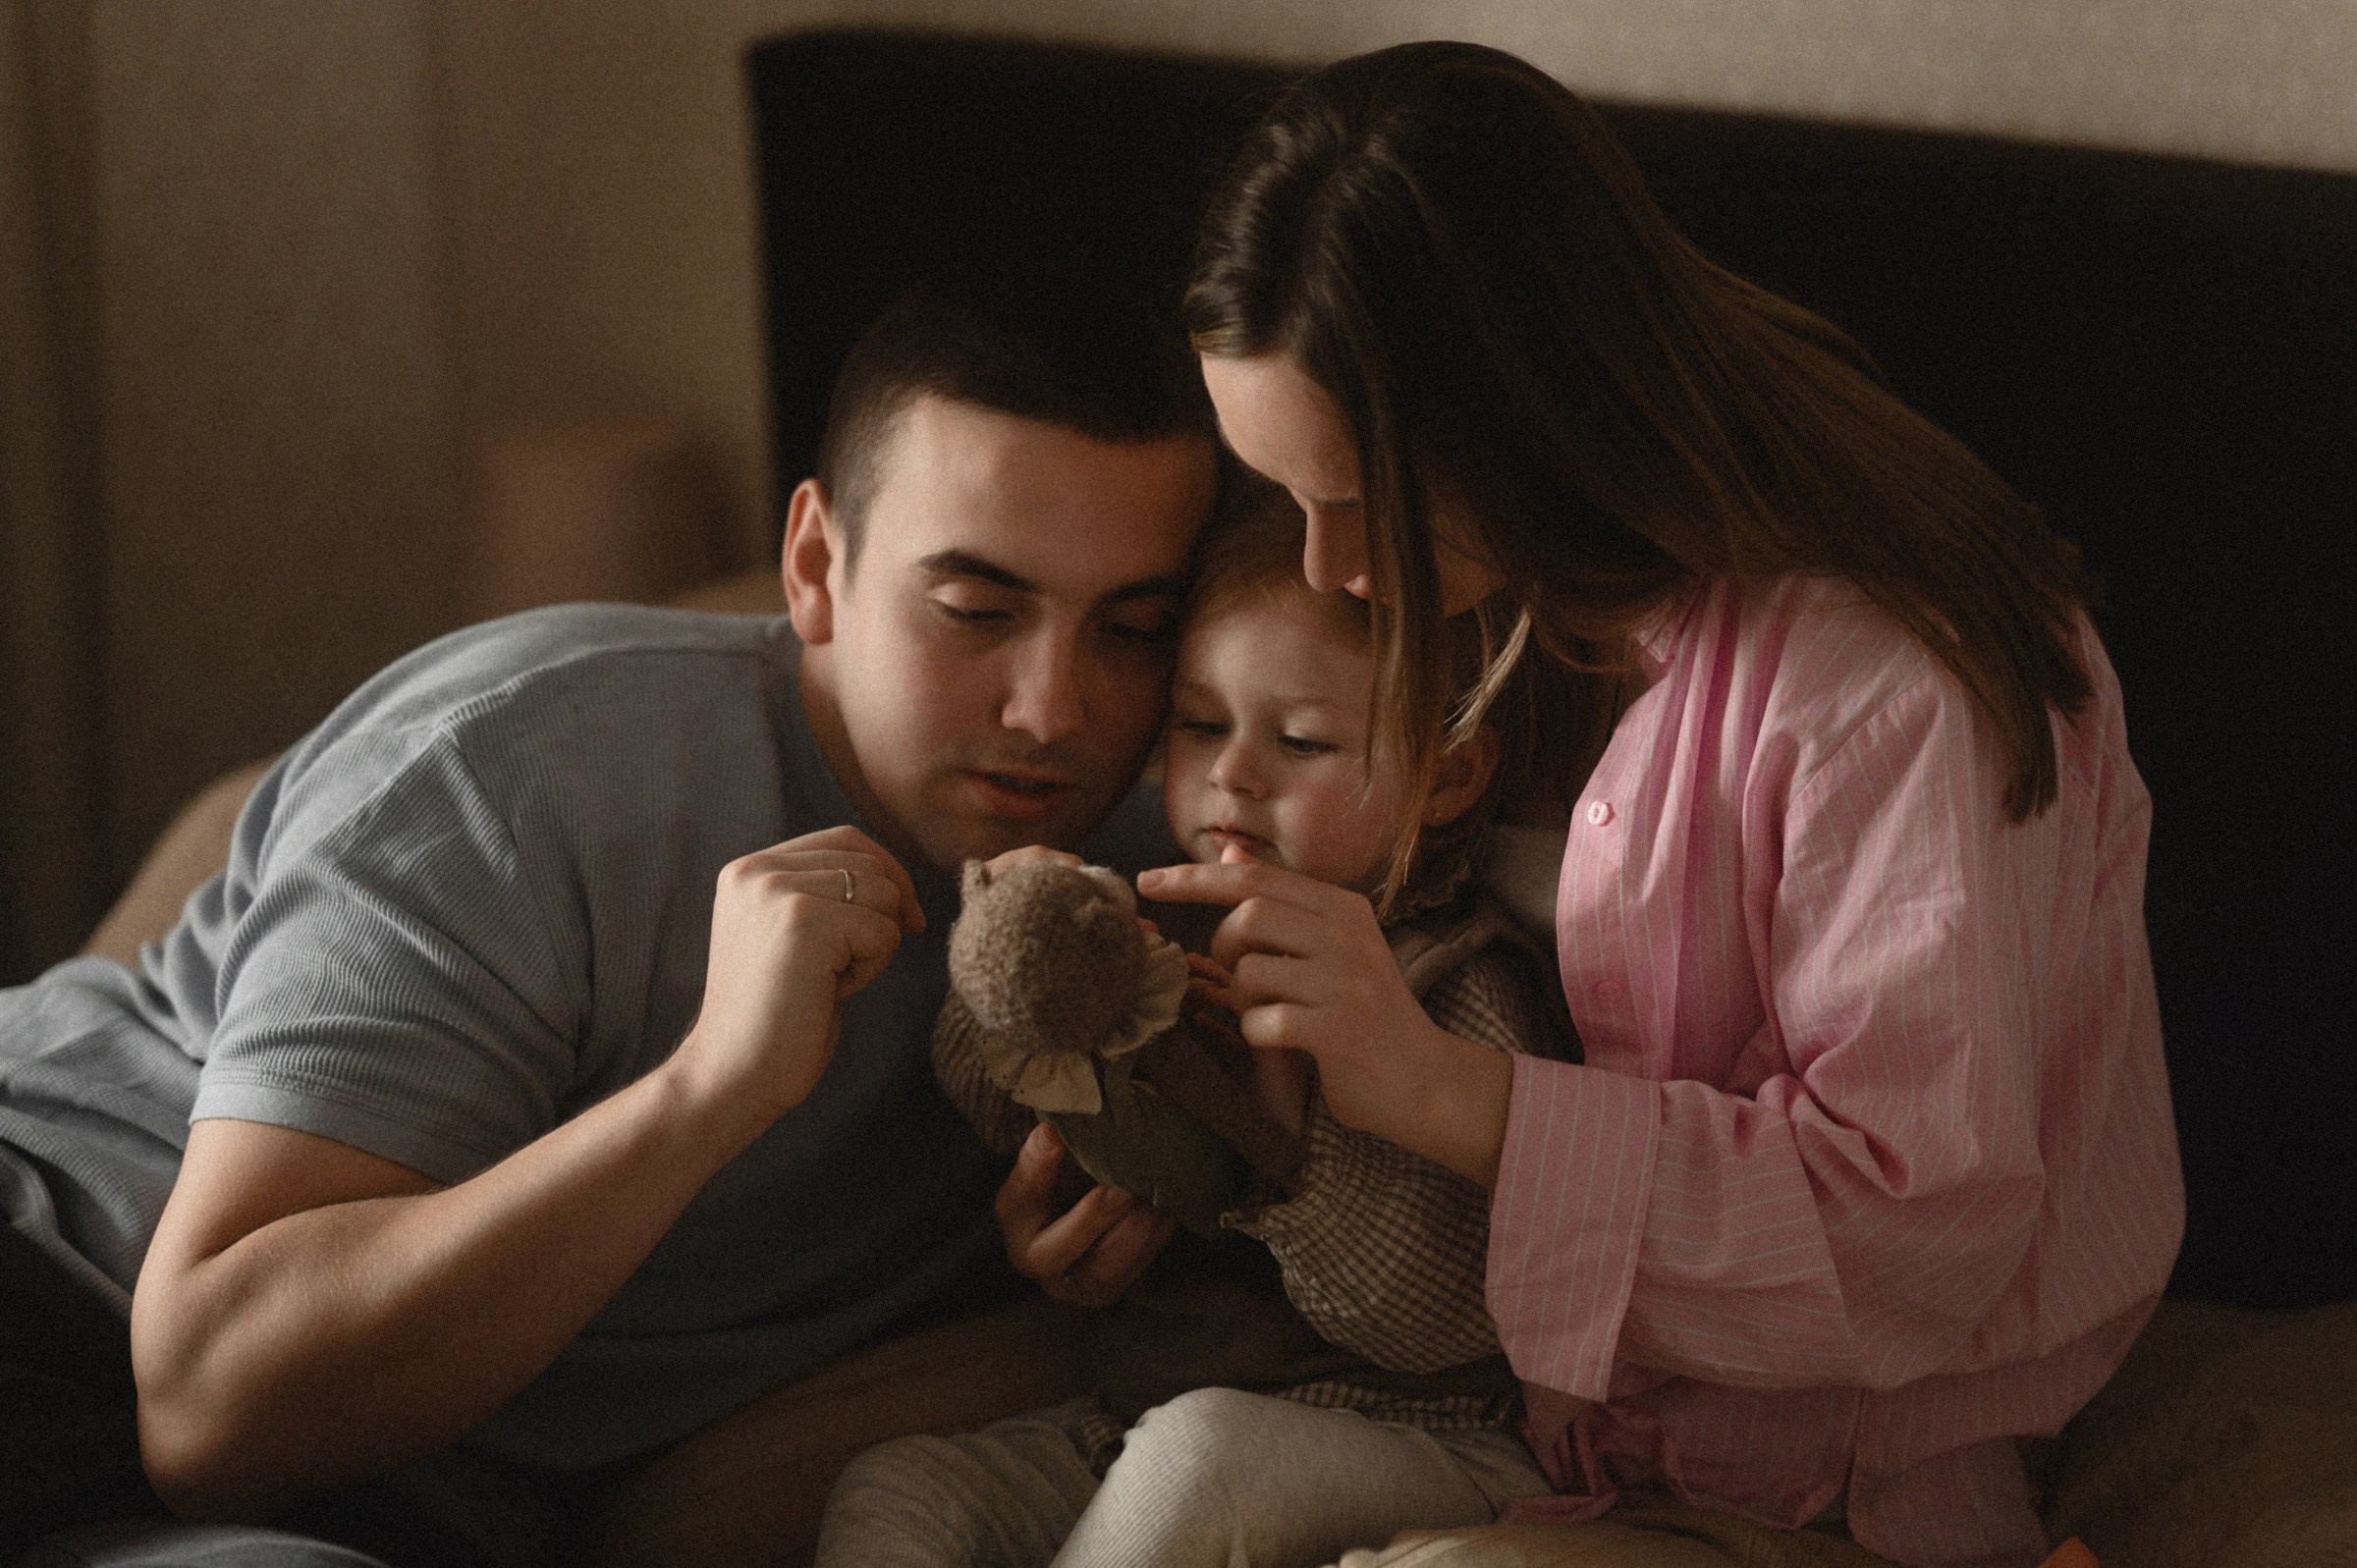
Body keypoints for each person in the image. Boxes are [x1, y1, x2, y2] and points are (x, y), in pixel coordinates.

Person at [1109, 41, 2184, 1568]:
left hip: (1832, 1486)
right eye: (1286, 498)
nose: (1330, 570)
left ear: (1533, 406)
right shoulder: (1521, 584)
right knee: (1166, 1480)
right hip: (1534, 1424)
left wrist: (1437, 1090)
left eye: (1363, 503)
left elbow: (1913, 1228)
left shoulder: (1885, 683)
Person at [0, 270, 1217, 1568]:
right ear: (814, 566)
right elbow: (211, 1402)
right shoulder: (524, 770)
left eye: (1134, 629)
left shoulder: (1156, 870)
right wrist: (706, 1091)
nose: (1056, 708)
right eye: (976, 610)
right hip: (49, 1291)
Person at [813, 480, 1567, 1568]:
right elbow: (988, 1097)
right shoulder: (1155, 916)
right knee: (899, 1486)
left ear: (1445, 776)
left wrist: (1292, 1165)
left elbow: (1452, 1320)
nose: (1231, 773)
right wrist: (1018, 971)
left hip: (1430, 1434)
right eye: (1201, 723)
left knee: (1199, 1456)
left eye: (1301, 742)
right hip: (1136, 1411)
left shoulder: (1454, 982)